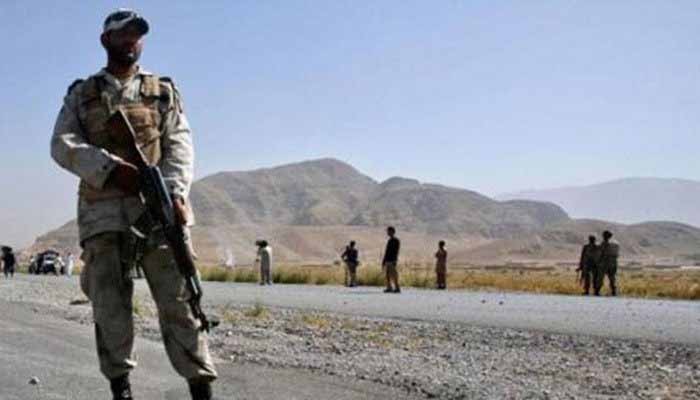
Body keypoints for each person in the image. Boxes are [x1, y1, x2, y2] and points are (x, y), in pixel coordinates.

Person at [50, 9, 216, 400]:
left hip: (157, 213)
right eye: (123, 34)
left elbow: (179, 144)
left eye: (136, 35)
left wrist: (174, 193)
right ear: (105, 40)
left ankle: (201, 386)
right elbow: (61, 144)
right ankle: (121, 389)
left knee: (180, 302)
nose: (131, 41)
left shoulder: (162, 91)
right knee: (110, 307)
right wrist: (109, 169)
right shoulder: (82, 94)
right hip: (103, 215)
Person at [597, 230, 620, 296]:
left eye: (604, 235)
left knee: (600, 277)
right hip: (614, 262)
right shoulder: (616, 243)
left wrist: (598, 261)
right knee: (612, 277)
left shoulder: (604, 243)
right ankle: (614, 291)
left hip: (605, 261)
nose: (603, 237)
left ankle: (597, 291)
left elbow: (601, 253)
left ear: (606, 236)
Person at [382, 226, 401, 293]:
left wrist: (394, 260)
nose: (388, 233)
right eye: (387, 231)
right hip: (387, 260)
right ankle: (389, 287)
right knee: (387, 275)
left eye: (389, 231)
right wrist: (384, 261)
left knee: (393, 274)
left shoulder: (396, 240)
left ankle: (397, 287)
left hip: (392, 260)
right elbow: (387, 251)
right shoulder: (390, 240)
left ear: (392, 232)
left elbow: (396, 251)